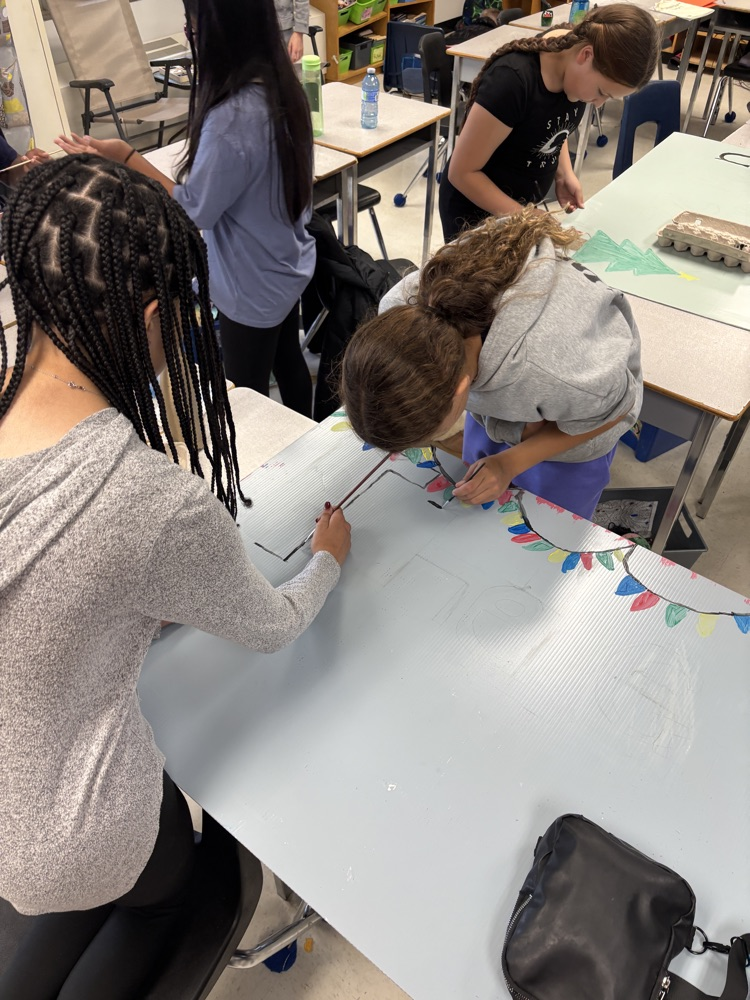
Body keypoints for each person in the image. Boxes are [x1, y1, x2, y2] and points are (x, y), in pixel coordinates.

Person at [0, 155, 350, 1000]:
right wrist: (329, 559)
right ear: (156, 317)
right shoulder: (150, 503)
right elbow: (271, 627)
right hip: (74, 831)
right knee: (166, 897)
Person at [57, 0, 316, 417]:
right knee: (288, 359)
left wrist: (126, 155)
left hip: (251, 285)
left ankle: (268, 476)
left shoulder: (232, 119)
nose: (189, 33)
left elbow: (194, 211)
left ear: (221, 29)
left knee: (245, 398)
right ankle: (310, 436)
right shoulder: (281, 84)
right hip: (286, 263)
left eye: (193, 25)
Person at [339, 211, 642, 520]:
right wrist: (502, 458)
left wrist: (512, 461)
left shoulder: (552, 371)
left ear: (461, 391)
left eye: (433, 433)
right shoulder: (399, 309)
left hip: (587, 415)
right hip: (522, 388)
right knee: (482, 488)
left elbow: (616, 409)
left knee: (548, 525)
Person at [439, 4, 660, 241]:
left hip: (517, 211)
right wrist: (527, 218)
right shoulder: (513, 81)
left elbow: (553, 124)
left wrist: (564, 174)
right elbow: (462, 173)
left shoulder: (571, 65)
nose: (597, 104)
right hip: (475, 214)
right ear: (586, 55)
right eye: (601, 92)